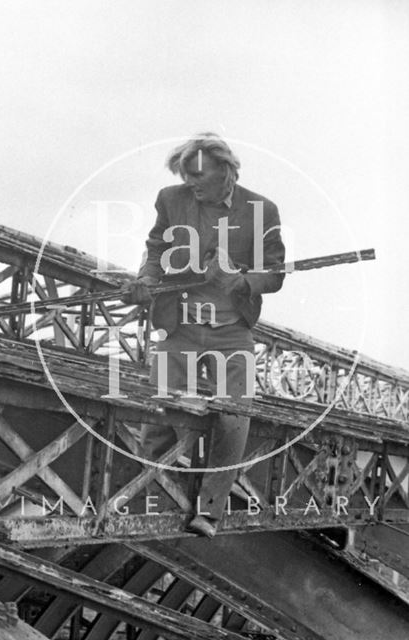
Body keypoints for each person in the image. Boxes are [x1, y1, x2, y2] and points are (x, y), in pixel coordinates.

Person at [130, 133, 285, 537]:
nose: (191, 183)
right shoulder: (171, 199)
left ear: (226, 170)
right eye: (186, 175)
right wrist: (146, 279)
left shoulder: (262, 210)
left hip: (231, 331)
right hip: (181, 323)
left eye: (198, 175)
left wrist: (240, 282)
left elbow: (274, 273)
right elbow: (154, 250)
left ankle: (210, 512)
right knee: (159, 414)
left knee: (235, 416)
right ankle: (149, 497)